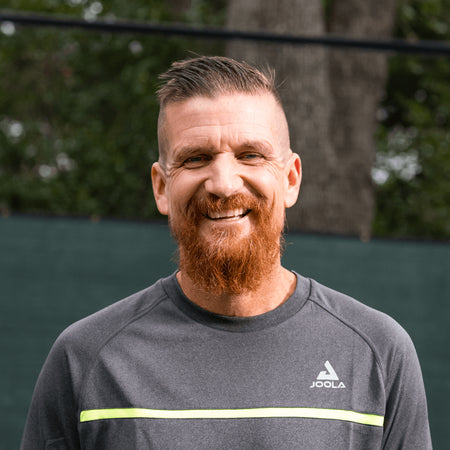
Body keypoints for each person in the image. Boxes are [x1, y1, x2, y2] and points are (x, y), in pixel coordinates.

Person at [21, 56, 432, 449]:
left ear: (290, 179)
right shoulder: (86, 358)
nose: (223, 183)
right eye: (196, 158)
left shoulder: (378, 352)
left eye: (250, 155)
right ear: (161, 187)